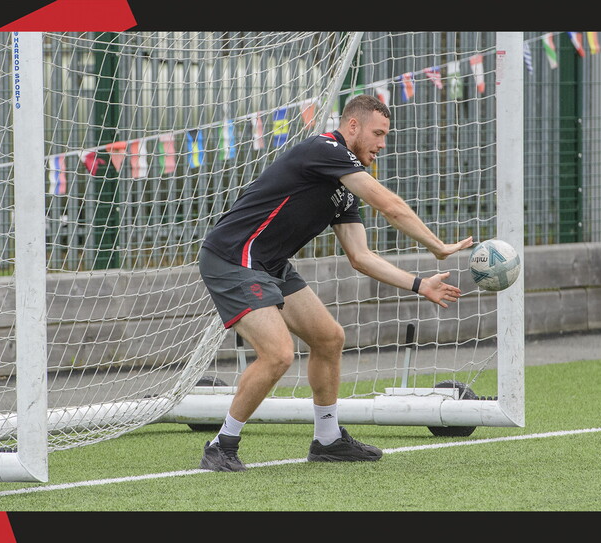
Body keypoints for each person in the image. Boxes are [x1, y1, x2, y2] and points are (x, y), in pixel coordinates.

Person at [197, 94, 474, 471]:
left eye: (386, 136)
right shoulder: (324, 149)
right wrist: (437, 246)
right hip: (234, 257)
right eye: (378, 134)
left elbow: (360, 256)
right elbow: (389, 206)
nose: (382, 144)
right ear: (353, 126)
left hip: (270, 263)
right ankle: (221, 445)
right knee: (278, 354)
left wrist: (419, 284)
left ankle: (327, 439)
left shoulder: (344, 189)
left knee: (329, 338)